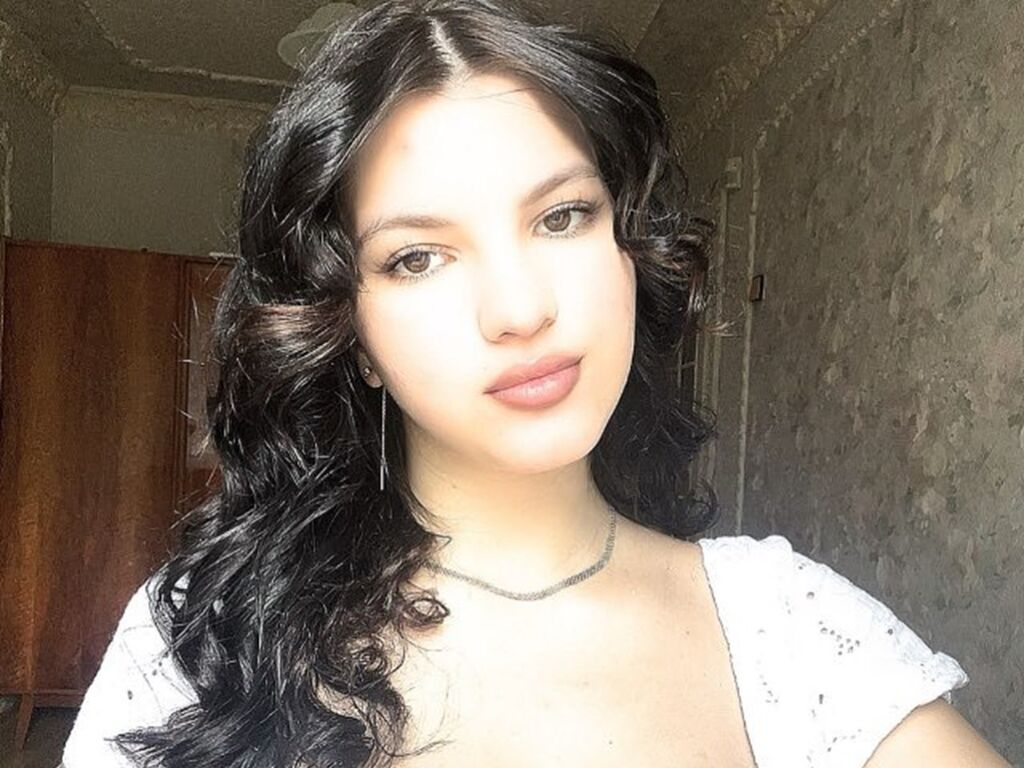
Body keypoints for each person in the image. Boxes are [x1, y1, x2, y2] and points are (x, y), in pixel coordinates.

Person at [62, 1, 1012, 766]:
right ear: (349, 333)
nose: (518, 310)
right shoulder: (208, 637)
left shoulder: (786, 628)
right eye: (418, 257)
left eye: (561, 217)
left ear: (630, 246)